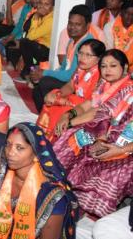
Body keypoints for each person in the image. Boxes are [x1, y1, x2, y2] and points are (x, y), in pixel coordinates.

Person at [53, 49, 133, 217]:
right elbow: (90, 106)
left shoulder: (128, 91)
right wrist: (69, 116)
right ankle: (59, 183)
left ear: (124, 68)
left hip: (124, 142)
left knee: (83, 142)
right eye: (103, 66)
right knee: (74, 136)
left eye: (113, 66)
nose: (107, 70)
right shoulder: (105, 85)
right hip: (105, 132)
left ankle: (81, 198)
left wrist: (118, 149)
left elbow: (102, 114)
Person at [0, 123, 78, 239]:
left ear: (36, 154)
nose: (10, 152)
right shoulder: (2, 177)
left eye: (20, 148)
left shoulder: (53, 195)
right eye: (8, 145)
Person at [30, 4, 99, 111]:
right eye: (70, 23)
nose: (72, 27)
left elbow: (71, 75)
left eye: (77, 24)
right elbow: (63, 68)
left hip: (80, 87)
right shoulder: (72, 41)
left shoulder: (86, 44)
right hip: (70, 81)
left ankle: (54, 115)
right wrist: (43, 72)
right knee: (37, 91)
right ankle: (46, 117)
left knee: (45, 82)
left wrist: (44, 73)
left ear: (87, 25)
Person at [37, 38, 105, 139]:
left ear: (99, 58)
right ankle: (42, 137)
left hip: (87, 109)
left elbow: (92, 105)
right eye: (80, 53)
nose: (82, 58)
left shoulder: (102, 75)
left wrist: (63, 102)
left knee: (59, 110)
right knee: (50, 100)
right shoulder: (81, 67)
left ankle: (52, 140)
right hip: (76, 102)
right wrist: (58, 94)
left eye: (88, 55)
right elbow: (70, 85)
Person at [11, 0, 54, 80]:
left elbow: (30, 36)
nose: (42, 6)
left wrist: (36, 16)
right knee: (14, 48)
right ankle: (30, 70)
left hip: (47, 51)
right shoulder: (38, 15)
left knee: (24, 43)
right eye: (40, 3)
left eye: (46, 4)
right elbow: (27, 30)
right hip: (36, 46)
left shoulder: (51, 19)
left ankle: (29, 71)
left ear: (52, 7)